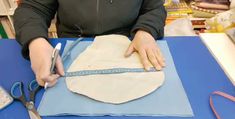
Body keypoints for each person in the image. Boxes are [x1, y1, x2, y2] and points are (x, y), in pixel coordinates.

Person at [13, 0, 167, 87]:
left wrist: (146, 30)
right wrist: (36, 42)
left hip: (128, 46)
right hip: (73, 46)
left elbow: (154, 9)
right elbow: (32, 9)